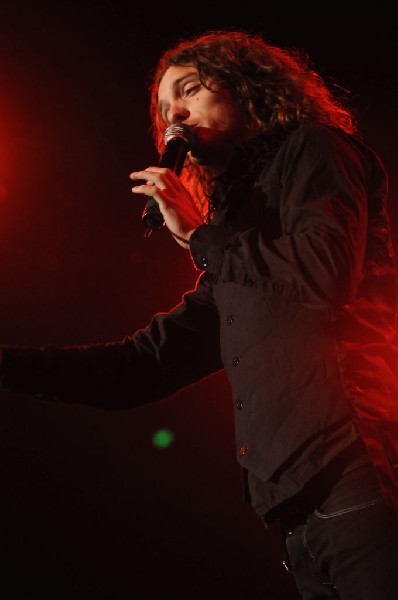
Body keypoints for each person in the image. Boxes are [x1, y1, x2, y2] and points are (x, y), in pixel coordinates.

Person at [1, 29, 398, 599]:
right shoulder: (239, 251)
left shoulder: (317, 147)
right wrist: (7, 364)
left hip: (356, 470)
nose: (174, 116)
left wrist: (200, 236)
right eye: (164, 108)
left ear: (246, 87)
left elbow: (326, 269)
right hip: (296, 513)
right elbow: (142, 366)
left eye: (188, 91)